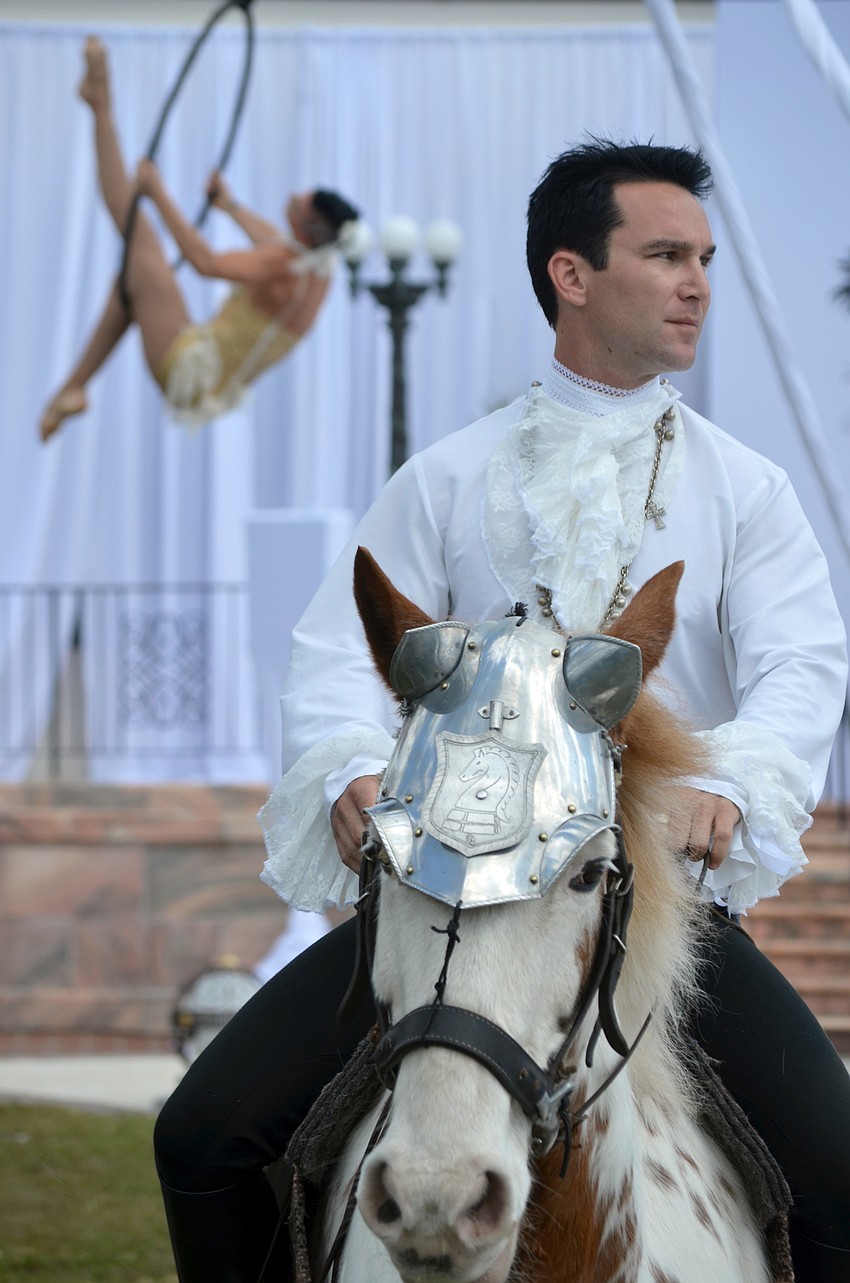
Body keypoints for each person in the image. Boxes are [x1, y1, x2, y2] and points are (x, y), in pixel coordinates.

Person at [154, 139, 850, 1280]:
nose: (696, 283)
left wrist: (731, 778)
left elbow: (803, 663)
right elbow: (337, 651)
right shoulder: (445, 476)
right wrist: (345, 766)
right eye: (665, 253)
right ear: (570, 274)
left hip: (649, 910)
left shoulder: (745, 489)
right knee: (200, 1135)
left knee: (838, 1172)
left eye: (705, 258)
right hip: (439, 902)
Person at [39, 37, 359, 440]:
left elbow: (206, 263)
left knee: (138, 227)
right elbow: (274, 240)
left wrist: (159, 194)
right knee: (131, 283)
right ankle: (72, 390)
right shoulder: (318, 268)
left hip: (186, 367)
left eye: (299, 204)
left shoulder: (281, 265)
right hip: (205, 382)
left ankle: (101, 104)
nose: (292, 198)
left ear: (304, 229)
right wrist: (229, 205)